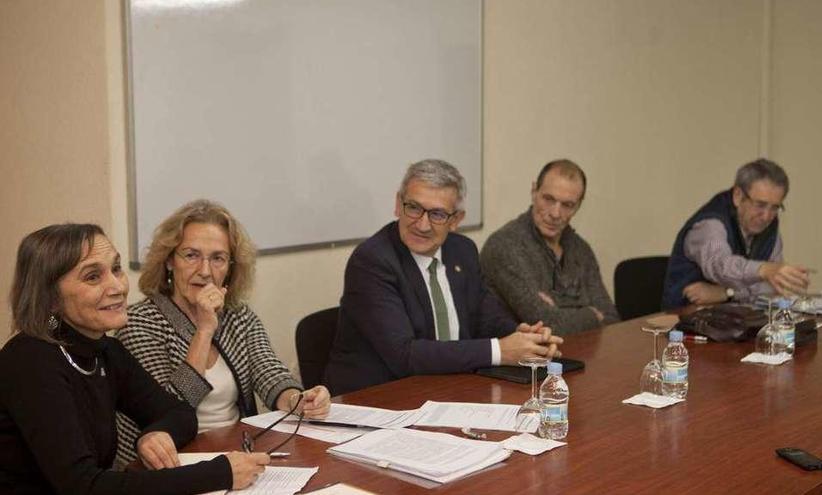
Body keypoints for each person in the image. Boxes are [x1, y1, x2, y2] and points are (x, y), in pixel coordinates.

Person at [0, 224, 269, 494]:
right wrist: (219, 473)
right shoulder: (31, 361)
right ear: (51, 298)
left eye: (116, 269)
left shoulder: (105, 350)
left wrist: (156, 433)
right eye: (93, 277)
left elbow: (179, 413)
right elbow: (84, 486)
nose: (117, 286)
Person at [116, 200, 330, 464]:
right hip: (168, 464)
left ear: (230, 268)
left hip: (233, 451)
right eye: (191, 255)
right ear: (170, 260)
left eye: (217, 258)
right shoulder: (139, 322)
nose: (205, 271)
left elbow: (271, 374)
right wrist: (205, 330)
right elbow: (167, 411)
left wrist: (299, 400)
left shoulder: (238, 315)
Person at [325, 159, 564, 395]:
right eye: (414, 208)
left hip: (448, 391)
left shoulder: (462, 251)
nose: (423, 224)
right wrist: (501, 350)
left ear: (456, 220)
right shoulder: (372, 261)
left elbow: (485, 317)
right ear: (398, 204)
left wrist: (523, 338)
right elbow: (404, 355)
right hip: (377, 399)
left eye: (437, 214)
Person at [481, 159, 619, 334]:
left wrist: (558, 312)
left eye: (568, 205)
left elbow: (611, 319)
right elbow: (549, 326)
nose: (555, 213)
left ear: (579, 205)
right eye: (548, 199)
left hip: (581, 353)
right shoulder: (504, 246)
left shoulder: (580, 248)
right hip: (525, 359)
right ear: (534, 191)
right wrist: (592, 314)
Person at [662, 158, 810, 309]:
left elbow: (771, 286)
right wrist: (763, 270)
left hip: (737, 320)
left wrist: (728, 292)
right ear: (738, 196)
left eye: (774, 208)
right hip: (683, 320)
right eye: (760, 205)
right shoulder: (710, 224)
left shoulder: (769, 227)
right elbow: (721, 265)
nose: (766, 216)